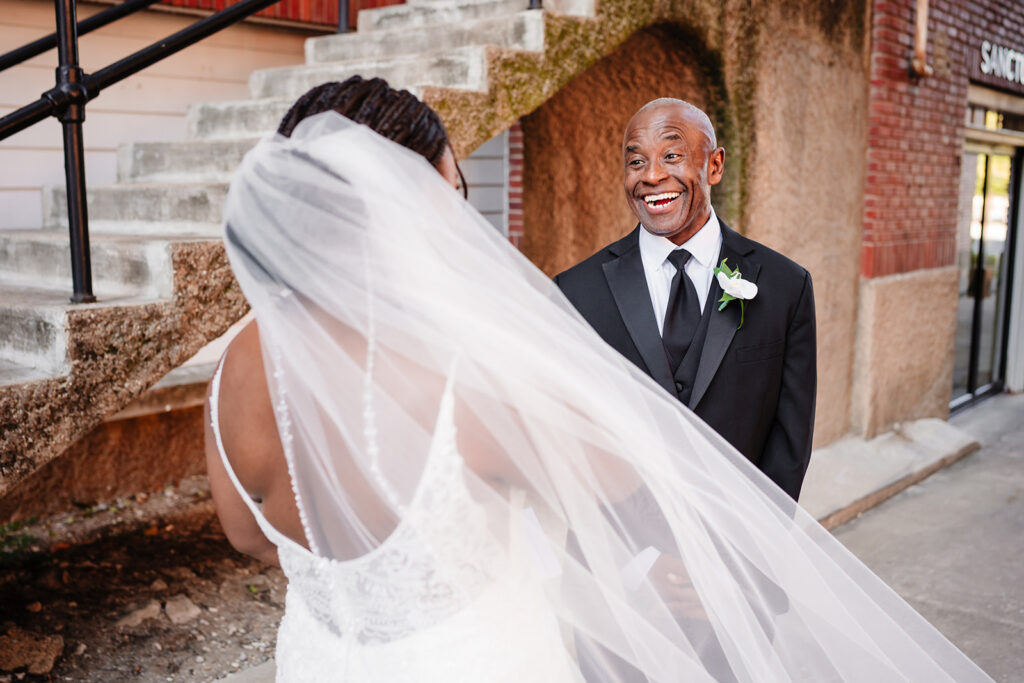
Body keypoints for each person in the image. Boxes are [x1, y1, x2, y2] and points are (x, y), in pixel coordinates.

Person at [206, 79, 993, 681]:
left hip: (323, 659)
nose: (459, 221)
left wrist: (379, 583)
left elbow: (251, 533)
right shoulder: (466, 373)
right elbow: (618, 493)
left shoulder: (236, 364)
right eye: (452, 193)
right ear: (404, 205)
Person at [555, 98, 816, 500]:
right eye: (636, 162)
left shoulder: (785, 286)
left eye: (672, 156)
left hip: (738, 544)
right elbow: (567, 439)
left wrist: (759, 551)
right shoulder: (575, 292)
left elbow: (790, 441)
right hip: (624, 550)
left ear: (714, 165)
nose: (652, 176)